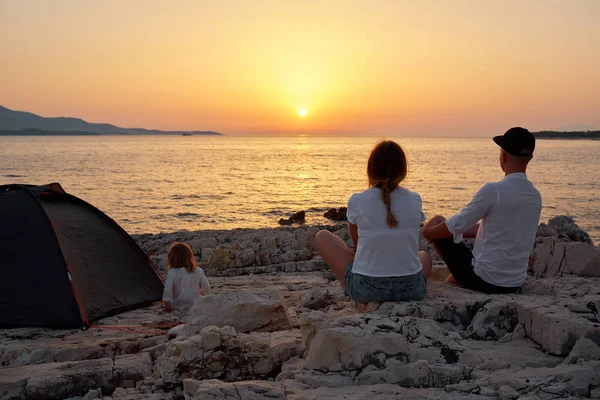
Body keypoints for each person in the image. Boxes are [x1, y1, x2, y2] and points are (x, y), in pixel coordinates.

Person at [422, 127, 542, 294]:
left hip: (485, 282)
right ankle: (454, 281)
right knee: (459, 270)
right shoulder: (535, 196)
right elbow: (497, 227)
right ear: (530, 158)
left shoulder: (494, 190)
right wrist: (461, 232)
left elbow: (453, 226)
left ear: (503, 156)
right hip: (514, 284)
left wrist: (426, 233)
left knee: (437, 222)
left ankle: (455, 281)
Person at [315, 140, 432, 303]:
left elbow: (357, 249)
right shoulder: (414, 199)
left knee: (322, 236)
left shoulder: (357, 200)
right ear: (403, 171)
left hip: (366, 290)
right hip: (412, 289)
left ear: (370, 170)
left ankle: (356, 282)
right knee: (424, 256)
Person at [163, 242, 211, 311]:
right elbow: (207, 288)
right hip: (194, 305)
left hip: (177, 307)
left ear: (172, 258)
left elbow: (167, 293)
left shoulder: (172, 272)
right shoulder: (198, 270)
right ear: (190, 256)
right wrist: (199, 293)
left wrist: (168, 308)